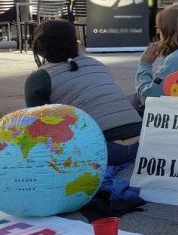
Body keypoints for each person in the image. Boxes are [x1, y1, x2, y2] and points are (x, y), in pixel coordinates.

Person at [25, 19, 141, 166]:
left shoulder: (39, 78)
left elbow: (39, 128)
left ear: (40, 46)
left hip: (104, 150)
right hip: (141, 143)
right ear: (75, 42)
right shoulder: (97, 64)